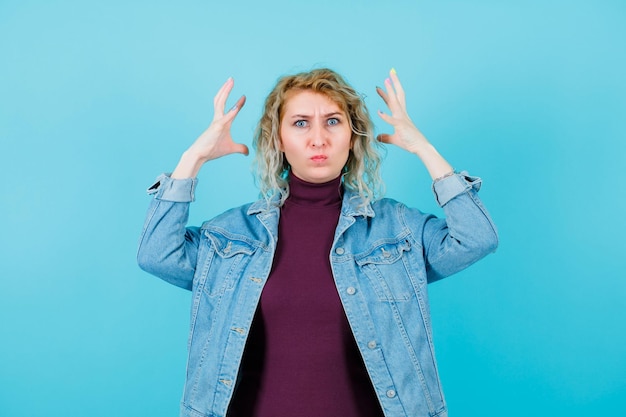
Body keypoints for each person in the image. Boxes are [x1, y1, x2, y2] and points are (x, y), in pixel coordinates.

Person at [137, 68, 498, 417]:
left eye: (333, 121)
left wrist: (423, 147)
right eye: (300, 123)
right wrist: (192, 159)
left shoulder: (397, 229)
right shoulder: (232, 235)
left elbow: (476, 238)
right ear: (277, 138)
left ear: (353, 135)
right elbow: (157, 254)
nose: (318, 139)